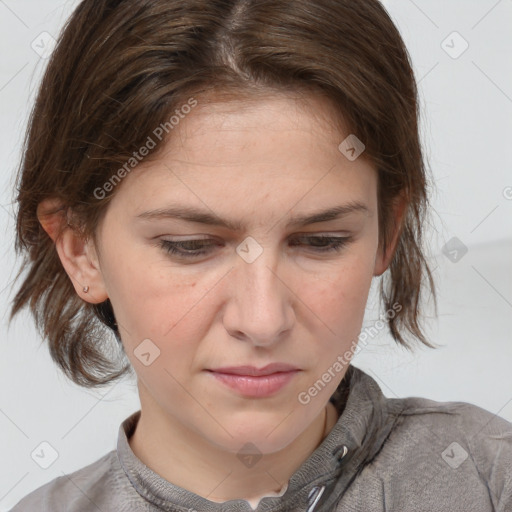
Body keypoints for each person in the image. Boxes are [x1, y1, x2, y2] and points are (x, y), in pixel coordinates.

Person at [7, 0, 512, 510]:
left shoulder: (491, 479)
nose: (263, 320)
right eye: (191, 247)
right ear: (80, 251)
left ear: (387, 233)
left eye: (321, 241)